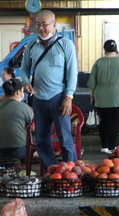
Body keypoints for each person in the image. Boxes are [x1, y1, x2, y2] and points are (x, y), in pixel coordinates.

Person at [18, 11, 78, 166]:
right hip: (38, 99)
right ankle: (50, 171)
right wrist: (25, 82)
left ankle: (71, 172)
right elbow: (24, 68)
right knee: (42, 139)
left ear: (54, 25)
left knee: (65, 139)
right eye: (38, 24)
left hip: (58, 98)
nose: (41, 28)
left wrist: (68, 97)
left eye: (45, 24)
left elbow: (72, 72)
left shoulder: (66, 44)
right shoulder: (31, 45)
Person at [88, 39, 119, 151]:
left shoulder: (99, 62)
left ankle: (104, 146)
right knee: (114, 122)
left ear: (104, 50)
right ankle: (112, 147)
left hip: (101, 97)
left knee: (103, 121)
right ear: (116, 50)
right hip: (118, 97)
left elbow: (92, 83)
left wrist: (92, 97)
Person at [0, 79, 34, 167]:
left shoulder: (0, 106)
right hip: (18, 150)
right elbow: (33, 127)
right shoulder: (23, 106)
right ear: (18, 92)